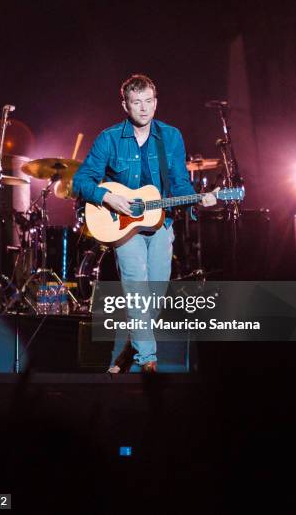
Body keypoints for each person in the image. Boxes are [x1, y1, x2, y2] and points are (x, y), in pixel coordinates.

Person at [72, 74, 217, 373]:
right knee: (137, 287)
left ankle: (126, 353)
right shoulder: (109, 138)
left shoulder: (171, 137)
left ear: (156, 102)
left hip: (161, 224)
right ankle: (148, 360)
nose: (143, 108)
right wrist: (108, 197)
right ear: (124, 104)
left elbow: (179, 183)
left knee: (154, 297)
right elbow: (80, 181)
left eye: (149, 101)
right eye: (136, 102)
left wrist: (199, 199)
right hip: (124, 228)